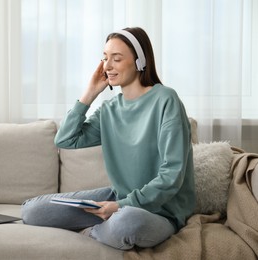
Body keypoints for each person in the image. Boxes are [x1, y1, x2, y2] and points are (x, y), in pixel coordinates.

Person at [21, 27, 196, 250]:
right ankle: (106, 229)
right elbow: (65, 140)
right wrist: (89, 94)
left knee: (127, 223)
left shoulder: (165, 100)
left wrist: (119, 206)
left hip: (161, 212)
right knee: (32, 211)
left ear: (140, 61)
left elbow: (172, 175)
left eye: (116, 58)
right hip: (118, 199)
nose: (107, 66)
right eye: (105, 58)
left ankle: (93, 232)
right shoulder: (110, 109)